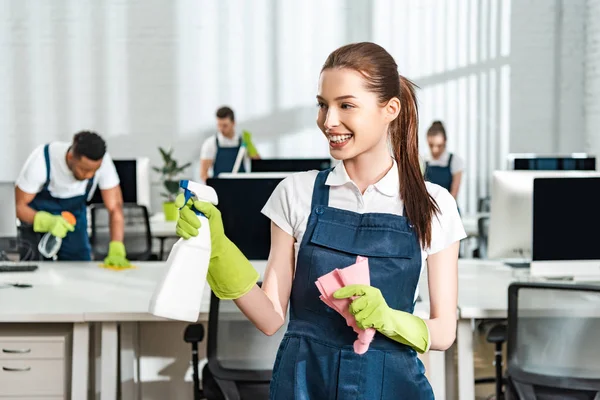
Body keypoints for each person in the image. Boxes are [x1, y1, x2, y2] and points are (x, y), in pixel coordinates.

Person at [176, 42, 466, 398]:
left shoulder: (433, 203)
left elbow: (444, 332)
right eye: (322, 105)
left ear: (390, 109)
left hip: (392, 386)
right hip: (303, 384)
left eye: (346, 105)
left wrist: (388, 319)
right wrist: (217, 249)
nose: (328, 121)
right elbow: (269, 318)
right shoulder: (295, 194)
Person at [15, 131, 130, 266]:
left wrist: (117, 246)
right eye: (84, 170)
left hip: (73, 220)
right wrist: (46, 221)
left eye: (94, 171)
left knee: (80, 270)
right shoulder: (42, 159)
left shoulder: (104, 162)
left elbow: (115, 208)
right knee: (35, 272)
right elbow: (17, 206)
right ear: (70, 157)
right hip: (36, 221)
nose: (89, 175)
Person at [199, 106, 260, 182]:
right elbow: (203, 173)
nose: (221, 129)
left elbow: (258, 164)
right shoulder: (210, 144)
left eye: (225, 125)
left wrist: (250, 146)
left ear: (233, 123)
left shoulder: (244, 142)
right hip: (220, 189)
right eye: (219, 125)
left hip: (242, 186)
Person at [423, 121, 465, 199]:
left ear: (445, 141)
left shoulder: (455, 161)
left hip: (448, 208)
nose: (435, 150)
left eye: (439, 146)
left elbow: (454, 194)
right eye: (431, 145)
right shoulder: (424, 161)